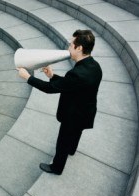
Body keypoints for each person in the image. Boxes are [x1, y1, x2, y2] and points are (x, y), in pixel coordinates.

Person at [17, 29, 103, 175]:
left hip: (73, 115)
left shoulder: (77, 73)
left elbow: (49, 89)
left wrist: (28, 78)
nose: (68, 47)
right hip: (86, 111)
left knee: (63, 141)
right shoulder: (95, 66)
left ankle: (56, 167)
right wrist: (52, 75)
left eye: (71, 44)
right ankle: (72, 149)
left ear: (79, 48)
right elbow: (71, 85)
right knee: (76, 134)